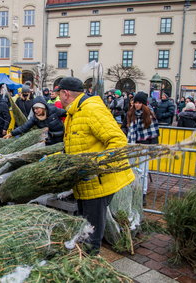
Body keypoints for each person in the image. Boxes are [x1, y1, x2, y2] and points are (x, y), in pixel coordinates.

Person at [58, 77, 135, 255]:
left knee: (92, 230)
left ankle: (90, 262)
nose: (59, 99)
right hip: (85, 183)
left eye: (60, 95)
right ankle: (83, 257)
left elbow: (118, 141)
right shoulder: (74, 113)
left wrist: (94, 166)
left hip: (98, 182)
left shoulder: (91, 110)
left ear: (66, 93)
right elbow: (76, 147)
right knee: (85, 225)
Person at [123, 91, 159, 206]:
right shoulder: (129, 114)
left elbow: (154, 134)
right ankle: (130, 191)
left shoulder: (149, 115)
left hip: (144, 146)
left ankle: (142, 194)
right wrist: (125, 133)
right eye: (135, 102)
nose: (136, 104)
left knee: (143, 172)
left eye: (139, 102)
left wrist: (153, 148)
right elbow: (124, 127)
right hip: (132, 145)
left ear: (143, 104)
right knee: (130, 170)